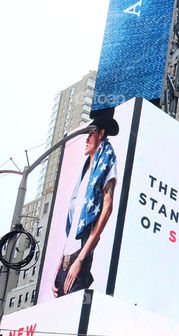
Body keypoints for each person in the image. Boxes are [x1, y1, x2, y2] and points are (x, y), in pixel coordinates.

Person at [52, 114, 119, 297]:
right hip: (66, 259)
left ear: (101, 134)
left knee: (70, 319)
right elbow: (73, 223)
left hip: (79, 257)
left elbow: (107, 209)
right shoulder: (84, 173)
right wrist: (60, 264)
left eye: (91, 134)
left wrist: (80, 259)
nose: (86, 139)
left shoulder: (107, 162)